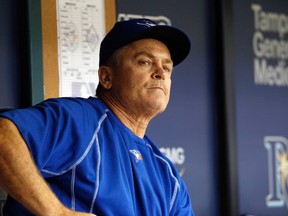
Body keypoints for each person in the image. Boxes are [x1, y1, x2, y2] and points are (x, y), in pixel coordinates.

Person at [0, 18, 194, 215]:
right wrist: (56, 211)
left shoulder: (168, 176)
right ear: (106, 77)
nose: (160, 73)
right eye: (145, 62)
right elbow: (3, 136)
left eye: (167, 67)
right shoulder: (79, 120)